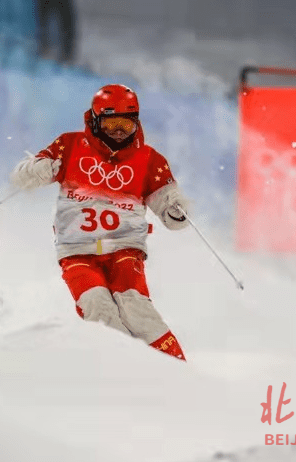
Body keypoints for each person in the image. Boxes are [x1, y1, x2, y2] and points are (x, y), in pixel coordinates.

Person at [10, 84, 190, 360]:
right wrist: (39, 169)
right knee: (98, 306)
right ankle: (117, 369)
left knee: (134, 307)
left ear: (136, 122)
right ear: (94, 121)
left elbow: (171, 211)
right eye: (111, 124)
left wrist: (174, 210)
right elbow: (23, 177)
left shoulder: (149, 159)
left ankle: (175, 366)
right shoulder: (70, 145)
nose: (119, 132)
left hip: (124, 247)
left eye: (126, 125)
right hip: (77, 250)